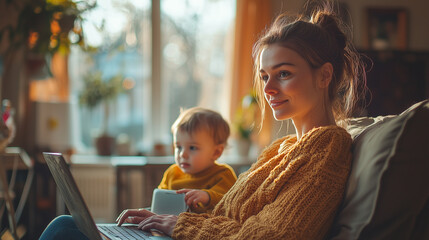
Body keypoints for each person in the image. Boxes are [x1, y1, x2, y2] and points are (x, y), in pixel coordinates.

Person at [40, 4, 367, 239]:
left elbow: (271, 235)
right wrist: (162, 220)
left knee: (65, 229)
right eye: (265, 75)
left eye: (284, 74)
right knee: (69, 225)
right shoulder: (282, 149)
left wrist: (177, 225)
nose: (268, 88)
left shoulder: (328, 147)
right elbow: (227, 217)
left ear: (324, 75)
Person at [158, 107, 237, 213]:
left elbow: (231, 202)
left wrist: (208, 196)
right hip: (168, 225)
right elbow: (160, 201)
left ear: (216, 152)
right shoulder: (172, 173)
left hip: (202, 226)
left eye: (192, 148)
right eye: (179, 147)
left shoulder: (223, 174)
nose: (182, 154)